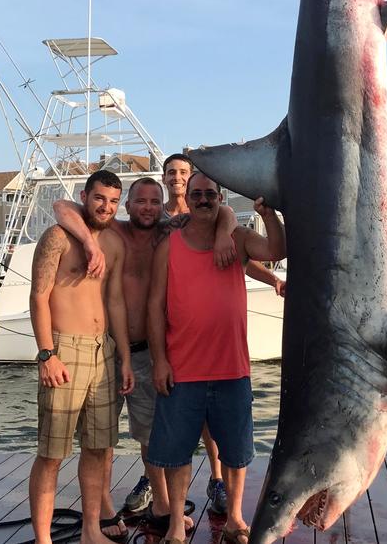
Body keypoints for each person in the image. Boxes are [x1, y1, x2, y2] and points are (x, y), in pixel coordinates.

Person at [52, 167, 283, 528]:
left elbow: (221, 213)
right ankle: (106, 512)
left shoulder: (170, 232)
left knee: (149, 436)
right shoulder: (114, 230)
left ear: (164, 206)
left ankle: (163, 506)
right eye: (139, 201)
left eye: (153, 202)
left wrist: (238, 233)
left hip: (150, 352)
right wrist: (85, 239)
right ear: (126, 205)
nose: (146, 207)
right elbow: (62, 205)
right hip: (108, 347)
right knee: (101, 438)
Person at [147, 172, 286, 544]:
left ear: (220, 197)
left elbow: (275, 251)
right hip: (182, 370)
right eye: (197, 194)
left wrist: (268, 213)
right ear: (187, 199)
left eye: (210, 194)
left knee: (236, 452)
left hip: (231, 369)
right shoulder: (169, 246)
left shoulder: (237, 239)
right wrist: (159, 361)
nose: (204, 199)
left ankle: (236, 519)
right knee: (176, 455)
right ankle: (177, 522)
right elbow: (154, 306)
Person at [28, 170, 134, 544]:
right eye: (99, 198)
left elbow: (116, 302)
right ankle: (44, 540)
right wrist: (47, 354)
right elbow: (38, 296)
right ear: (84, 196)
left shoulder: (116, 244)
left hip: (102, 350)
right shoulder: (57, 237)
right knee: (52, 451)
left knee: (97, 447)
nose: (105, 207)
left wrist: (123, 357)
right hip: (63, 348)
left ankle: (91, 531)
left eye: (112, 201)